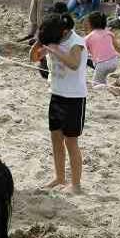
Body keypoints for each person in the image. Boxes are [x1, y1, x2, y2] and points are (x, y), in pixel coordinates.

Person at [30, 12, 88, 194]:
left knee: (71, 142)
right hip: (56, 95)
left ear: (63, 32)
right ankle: (59, 177)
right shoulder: (52, 39)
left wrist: (55, 49)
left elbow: (74, 64)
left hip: (74, 99)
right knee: (56, 139)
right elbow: (33, 58)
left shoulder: (76, 42)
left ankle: (76, 185)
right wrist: (40, 41)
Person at [84, 11, 120, 90]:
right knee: (102, 80)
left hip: (102, 65)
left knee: (95, 86)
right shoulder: (109, 33)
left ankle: (114, 85)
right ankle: (111, 87)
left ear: (90, 24)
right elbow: (117, 47)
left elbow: (82, 53)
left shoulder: (88, 38)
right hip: (114, 62)